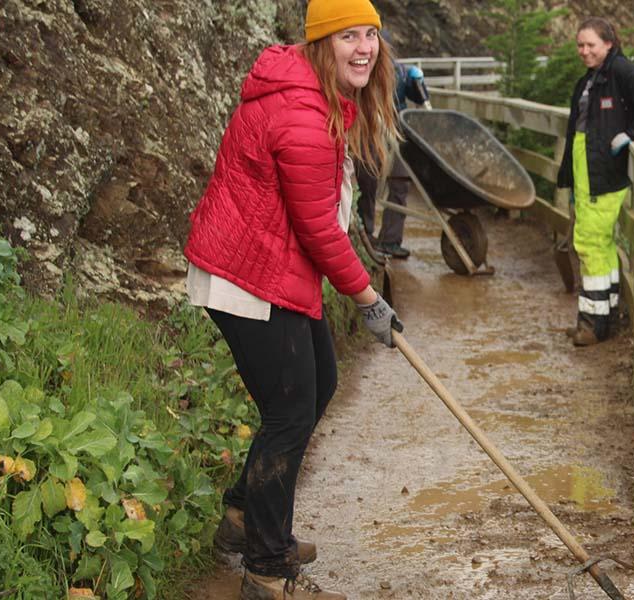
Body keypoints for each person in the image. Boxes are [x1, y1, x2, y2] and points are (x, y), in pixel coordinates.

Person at [182, 1, 400, 598]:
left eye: (370, 35)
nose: (363, 48)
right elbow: (319, 229)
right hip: (247, 275)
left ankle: (244, 518)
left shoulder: (314, 91)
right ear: (322, 43)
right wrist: (367, 300)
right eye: (348, 36)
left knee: (319, 383)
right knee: (290, 412)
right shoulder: (302, 114)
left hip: (272, 264)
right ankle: (267, 568)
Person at [557, 17, 634, 346]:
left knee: (589, 245)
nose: (584, 51)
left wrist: (631, 134)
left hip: (602, 175)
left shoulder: (619, 72)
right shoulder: (592, 78)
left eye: (590, 44)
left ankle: (591, 323)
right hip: (588, 175)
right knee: (601, 245)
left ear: (608, 44)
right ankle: (604, 317)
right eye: (580, 45)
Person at [356, 59, 429, 259]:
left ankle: (390, 240)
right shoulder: (361, 69)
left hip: (397, 129)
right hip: (369, 127)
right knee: (367, 179)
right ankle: (365, 235)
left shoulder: (402, 73)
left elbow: (420, 99)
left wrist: (420, 84)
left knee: (400, 182)